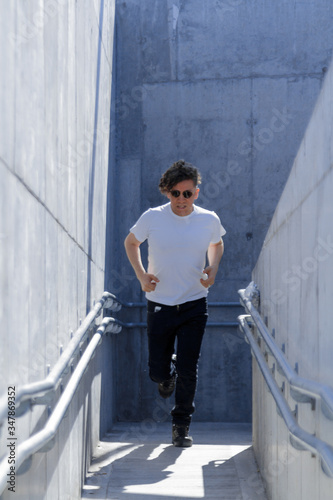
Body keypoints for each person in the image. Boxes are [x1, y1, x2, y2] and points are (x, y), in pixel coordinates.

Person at [124, 160, 226, 447]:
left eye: (188, 193)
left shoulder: (208, 219)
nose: (181, 200)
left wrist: (213, 267)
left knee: (188, 367)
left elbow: (217, 244)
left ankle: (181, 426)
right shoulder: (152, 217)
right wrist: (142, 275)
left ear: (196, 192)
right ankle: (164, 373)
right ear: (167, 192)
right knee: (158, 371)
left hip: (195, 302)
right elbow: (131, 243)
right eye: (175, 193)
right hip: (160, 303)